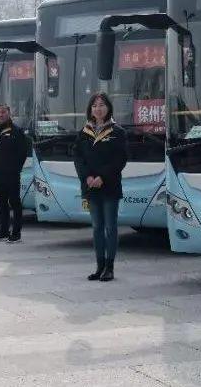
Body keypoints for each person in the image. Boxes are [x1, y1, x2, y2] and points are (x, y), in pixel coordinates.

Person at [74, 92, 127, 282]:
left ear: (108, 108)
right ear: (90, 109)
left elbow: (120, 159)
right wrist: (87, 177)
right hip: (91, 187)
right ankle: (99, 266)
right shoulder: (83, 133)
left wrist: (102, 177)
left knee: (110, 227)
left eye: (102, 105)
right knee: (97, 227)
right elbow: (78, 158)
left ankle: (109, 268)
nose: (98, 109)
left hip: (109, 186)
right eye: (94, 105)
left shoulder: (117, 132)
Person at [0, 104, 30, 243]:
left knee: (15, 203)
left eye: (3, 112)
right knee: (1, 203)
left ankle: (16, 233)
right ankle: (3, 231)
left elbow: (23, 152)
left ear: (9, 113)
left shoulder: (16, 131)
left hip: (11, 174)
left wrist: (16, 168)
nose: (0, 115)